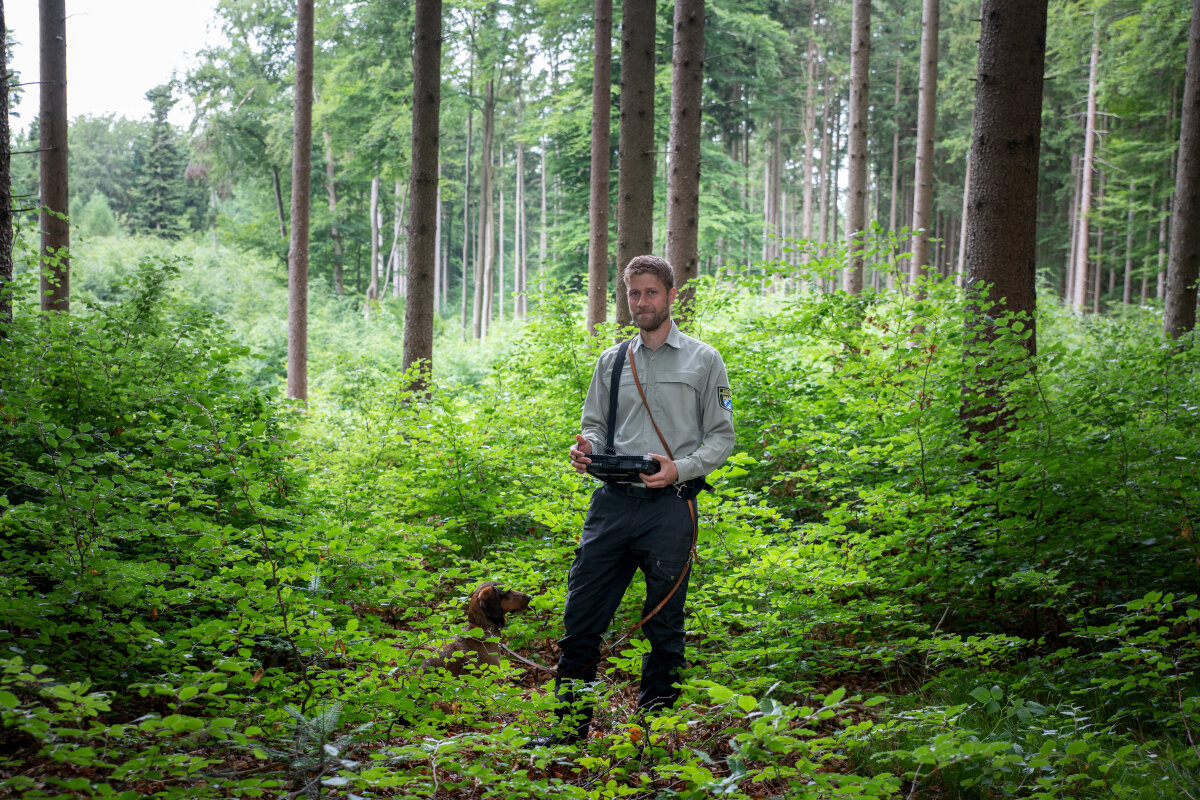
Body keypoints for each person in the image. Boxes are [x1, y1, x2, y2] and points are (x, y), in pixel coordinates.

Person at [534, 255, 735, 746]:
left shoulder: (704, 360)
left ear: (670, 296)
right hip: (612, 507)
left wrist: (678, 470)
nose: (641, 302)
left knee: (664, 625)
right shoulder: (612, 361)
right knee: (581, 618)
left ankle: (653, 732)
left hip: (671, 508)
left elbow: (721, 438)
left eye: (650, 292)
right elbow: (596, 426)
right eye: (633, 293)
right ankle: (566, 733)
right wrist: (586, 449)